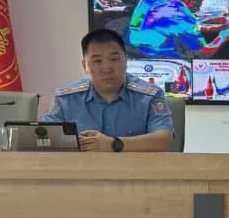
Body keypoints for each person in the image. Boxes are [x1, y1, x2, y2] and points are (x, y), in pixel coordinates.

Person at [43, 28, 173, 152]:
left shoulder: (150, 96)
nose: (107, 68)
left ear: (126, 60)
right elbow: (44, 138)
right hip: (80, 167)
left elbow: (164, 140)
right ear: (84, 66)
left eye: (114, 59)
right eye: (97, 61)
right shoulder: (65, 99)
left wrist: (113, 144)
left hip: (133, 167)